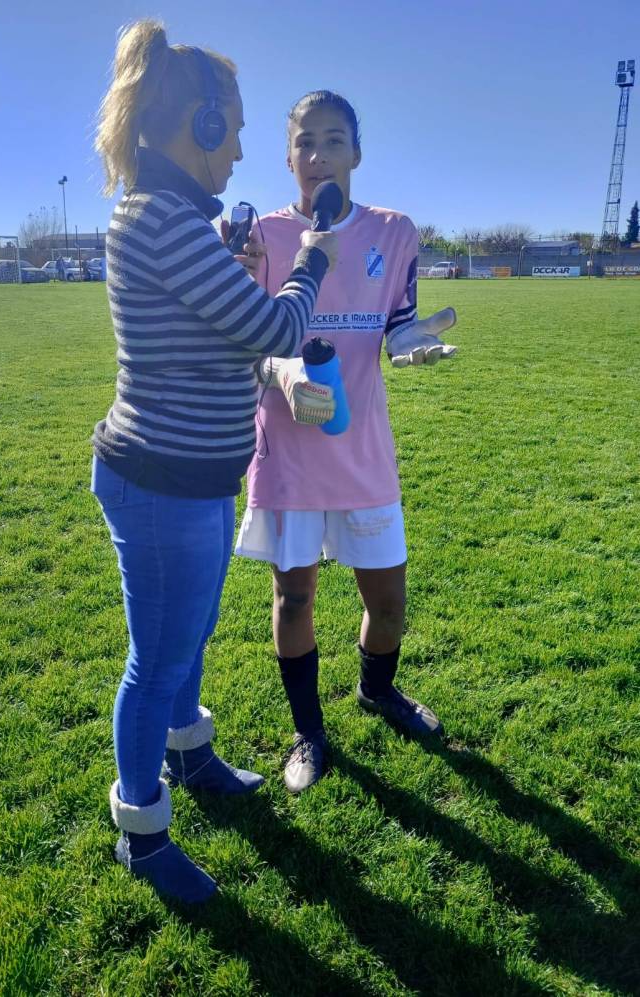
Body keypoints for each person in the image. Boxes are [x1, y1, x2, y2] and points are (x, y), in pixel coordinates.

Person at [91, 23, 336, 902]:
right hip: (160, 483)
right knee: (155, 662)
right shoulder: (163, 220)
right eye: (227, 127)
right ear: (193, 127)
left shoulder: (167, 219)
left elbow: (219, 334)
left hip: (184, 480)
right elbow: (275, 329)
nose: (238, 148)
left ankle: (188, 758)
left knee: (184, 640)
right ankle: (143, 833)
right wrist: (310, 257)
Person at [235, 91, 457, 793]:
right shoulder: (262, 238)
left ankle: (377, 689)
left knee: (389, 605)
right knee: (294, 599)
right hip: (288, 454)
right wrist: (283, 369)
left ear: (356, 153)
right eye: (305, 142)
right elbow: (244, 347)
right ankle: (308, 733)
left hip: (364, 454)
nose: (318, 155)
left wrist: (411, 344)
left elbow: (398, 328)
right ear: (289, 157)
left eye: (333, 140)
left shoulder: (395, 233)